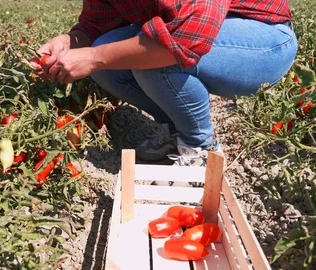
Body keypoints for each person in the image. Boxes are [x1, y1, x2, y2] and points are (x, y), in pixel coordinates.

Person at [31, 0, 297, 167]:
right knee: (108, 53)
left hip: (265, 42)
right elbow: (94, 25)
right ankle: (177, 131)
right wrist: (70, 41)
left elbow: (183, 39)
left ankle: (202, 149)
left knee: (152, 59)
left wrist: (93, 58)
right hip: (206, 31)